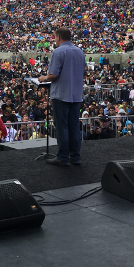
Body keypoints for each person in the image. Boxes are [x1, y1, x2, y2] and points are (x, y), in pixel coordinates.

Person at [38, 27, 85, 166]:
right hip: (76, 95)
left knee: (62, 127)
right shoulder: (80, 52)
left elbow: (53, 75)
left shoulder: (58, 52)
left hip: (61, 95)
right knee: (74, 127)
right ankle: (75, 157)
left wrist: (43, 78)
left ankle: (63, 157)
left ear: (58, 37)